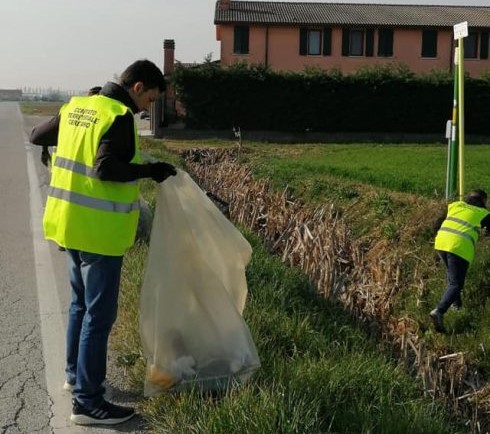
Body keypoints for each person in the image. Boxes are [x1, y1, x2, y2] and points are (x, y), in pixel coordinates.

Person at [30, 59, 176, 425]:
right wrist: (150, 172)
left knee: (80, 306)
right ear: (138, 87)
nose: (146, 109)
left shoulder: (79, 104)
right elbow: (106, 168)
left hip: (68, 223)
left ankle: (75, 378)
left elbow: (36, 135)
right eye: (149, 101)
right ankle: (88, 402)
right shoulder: (119, 115)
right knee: (99, 315)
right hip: (98, 231)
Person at [430, 189, 490, 333]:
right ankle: (439, 311)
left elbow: (437, 224)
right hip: (459, 247)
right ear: (483, 202)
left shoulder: (455, 205)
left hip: (441, 242)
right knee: (456, 283)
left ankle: (456, 306)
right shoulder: (483, 213)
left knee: (452, 277)